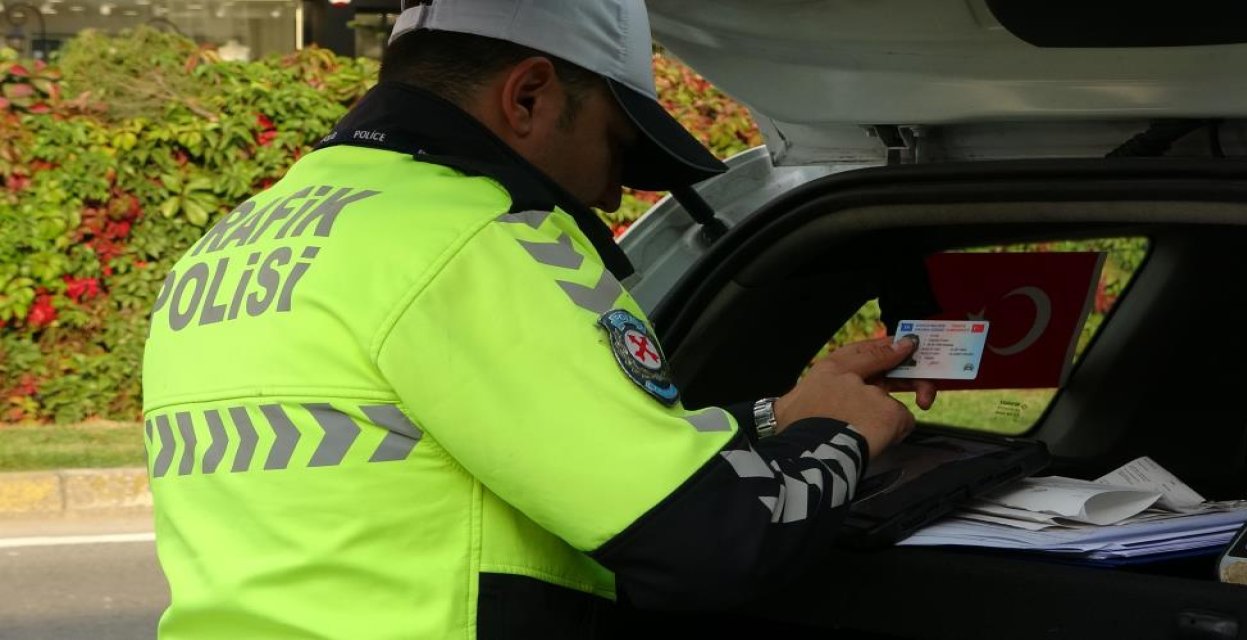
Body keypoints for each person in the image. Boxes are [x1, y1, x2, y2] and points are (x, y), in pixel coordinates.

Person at [141, 1, 936, 637]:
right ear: (528, 97)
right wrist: (845, 431)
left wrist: (783, 414)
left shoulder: (237, 239)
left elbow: (450, 449)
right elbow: (712, 550)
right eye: (617, 148)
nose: (612, 195)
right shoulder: (477, 237)